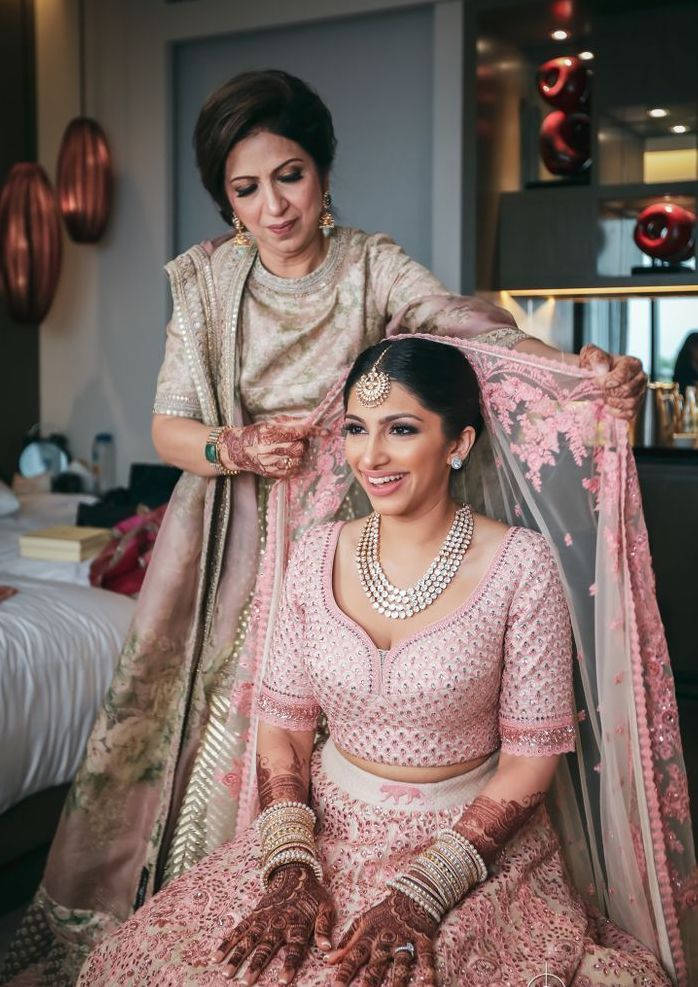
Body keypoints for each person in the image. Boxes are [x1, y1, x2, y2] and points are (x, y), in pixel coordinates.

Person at [0, 71, 648, 986]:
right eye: (246, 188)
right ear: (226, 198)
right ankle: (236, 911)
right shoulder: (209, 281)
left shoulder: (372, 268)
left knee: (358, 712)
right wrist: (234, 444)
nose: (273, 206)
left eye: (290, 176)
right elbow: (167, 427)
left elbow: (466, 332)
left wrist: (570, 371)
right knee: (211, 737)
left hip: (350, 511)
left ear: (325, 171)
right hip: (231, 525)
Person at [76, 338, 677, 986]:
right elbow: (284, 725)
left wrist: (423, 890)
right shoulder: (316, 553)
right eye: (358, 429)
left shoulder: (519, 567)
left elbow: (532, 760)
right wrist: (289, 864)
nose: (371, 454)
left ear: (459, 442)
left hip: (464, 848)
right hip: (320, 835)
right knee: (134, 966)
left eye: (402, 429)